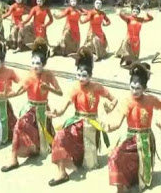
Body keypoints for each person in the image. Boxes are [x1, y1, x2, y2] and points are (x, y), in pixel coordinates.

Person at [47, 47, 117, 186]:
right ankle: (62, 172)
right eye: (78, 74)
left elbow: (113, 99)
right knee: (60, 136)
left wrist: (110, 107)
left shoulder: (97, 87)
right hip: (77, 123)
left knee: (89, 164)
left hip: (92, 125)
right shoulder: (75, 87)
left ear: (90, 75)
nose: (80, 78)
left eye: (84, 75)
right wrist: (56, 113)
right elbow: (65, 105)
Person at [105, 63, 161, 192]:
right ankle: (121, 188)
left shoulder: (151, 100)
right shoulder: (127, 101)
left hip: (145, 140)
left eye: (138, 88)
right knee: (114, 156)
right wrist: (109, 127)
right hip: (130, 139)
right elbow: (118, 122)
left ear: (144, 88)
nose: (134, 91)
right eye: (132, 87)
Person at [1, 38, 62, 172]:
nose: (35, 66)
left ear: (44, 64)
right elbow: (18, 90)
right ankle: (13, 158)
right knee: (19, 126)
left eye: (38, 63)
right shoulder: (29, 75)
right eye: (33, 62)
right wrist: (7, 93)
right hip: (30, 108)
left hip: (43, 109)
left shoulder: (49, 75)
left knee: (45, 138)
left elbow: (60, 92)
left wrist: (49, 88)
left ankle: (36, 148)